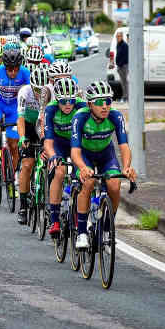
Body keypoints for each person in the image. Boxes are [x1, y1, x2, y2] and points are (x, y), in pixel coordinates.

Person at [69, 80, 137, 250]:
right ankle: (82, 233)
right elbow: (75, 152)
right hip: (85, 156)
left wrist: (127, 167)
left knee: (114, 185)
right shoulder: (80, 117)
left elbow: (124, 147)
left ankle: (107, 228)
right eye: (100, 102)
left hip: (106, 155)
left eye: (108, 101)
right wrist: (83, 167)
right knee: (89, 182)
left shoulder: (116, 116)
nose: (105, 106)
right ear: (90, 104)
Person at [0, 49, 30, 193]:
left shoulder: (26, 73)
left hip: (14, 107)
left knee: (14, 145)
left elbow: (30, 95)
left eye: (16, 69)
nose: (13, 73)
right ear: (4, 66)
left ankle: (11, 177)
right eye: (9, 69)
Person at [42, 78, 86, 238]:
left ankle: (79, 213)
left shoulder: (82, 106)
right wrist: (53, 156)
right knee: (59, 172)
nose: (68, 104)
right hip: (58, 143)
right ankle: (54, 220)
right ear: (57, 100)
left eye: (71, 100)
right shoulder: (51, 109)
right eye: (63, 101)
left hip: (77, 143)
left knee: (82, 176)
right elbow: (48, 141)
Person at [15, 65, 52, 224]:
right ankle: (23, 206)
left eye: (42, 90)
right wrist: (23, 137)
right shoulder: (24, 92)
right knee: (27, 164)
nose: (40, 94)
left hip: (45, 125)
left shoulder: (52, 93)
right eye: (37, 90)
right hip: (30, 126)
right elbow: (21, 118)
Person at [115, 32, 129, 103]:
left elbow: (125, 57)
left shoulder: (124, 45)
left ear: (122, 37)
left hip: (123, 66)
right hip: (119, 66)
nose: (118, 38)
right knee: (122, 83)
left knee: (124, 82)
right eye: (117, 37)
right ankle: (124, 96)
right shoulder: (118, 45)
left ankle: (126, 97)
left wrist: (120, 64)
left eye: (119, 36)